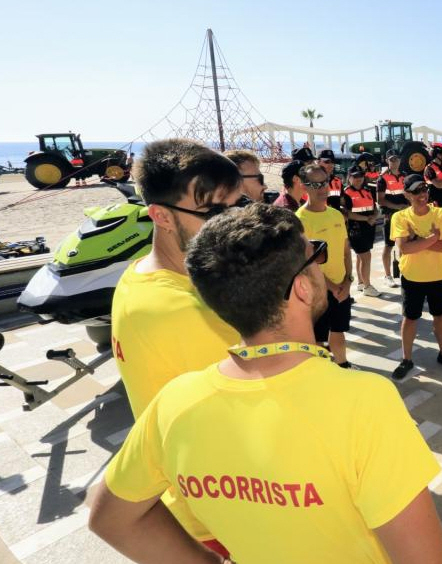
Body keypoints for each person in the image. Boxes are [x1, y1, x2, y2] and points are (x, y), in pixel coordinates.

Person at [90, 204, 442, 564]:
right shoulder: (364, 401)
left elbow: (110, 518)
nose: (321, 264)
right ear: (302, 289)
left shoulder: (175, 401)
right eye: (315, 255)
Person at [109, 139, 243, 556]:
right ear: (161, 215)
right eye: (214, 213)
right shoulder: (183, 311)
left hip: (188, 493)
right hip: (228, 507)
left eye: (238, 207)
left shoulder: (138, 275)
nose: (233, 225)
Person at [389, 175, 442, 380]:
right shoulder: (399, 217)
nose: (422, 194)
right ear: (406, 194)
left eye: (424, 189)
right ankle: (406, 359)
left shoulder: (440, 213)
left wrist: (417, 241)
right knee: (410, 318)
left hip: (436, 275)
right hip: (411, 276)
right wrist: (433, 237)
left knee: (439, 315)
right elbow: (404, 248)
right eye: (416, 191)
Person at [295, 163, 353, 367]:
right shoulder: (300, 220)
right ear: (303, 186)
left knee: (338, 330)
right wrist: (333, 287)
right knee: (318, 338)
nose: (322, 188)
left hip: (341, 286)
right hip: (318, 290)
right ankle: (321, 372)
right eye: (315, 184)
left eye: (324, 182)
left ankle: (343, 365)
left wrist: (348, 281)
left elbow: (346, 251)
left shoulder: (336, 215)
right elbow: (306, 263)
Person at [343, 166, 380, 297]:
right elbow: (347, 213)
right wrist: (367, 219)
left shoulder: (368, 190)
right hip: (356, 229)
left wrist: (374, 216)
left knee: (360, 256)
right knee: (366, 256)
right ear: (349, 178)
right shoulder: (346, 193)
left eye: (360, 176)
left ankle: (361, 282)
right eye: (355, 176)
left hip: (369, 227)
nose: (358, 179)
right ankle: (367, 286)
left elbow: (374, 208)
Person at [377, 152, 408, 288]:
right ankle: (388, 276)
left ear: (400, 160)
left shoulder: (405, 176)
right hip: (390, 216)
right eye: (391, 159)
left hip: (404, 216)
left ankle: (405, 272)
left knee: (404, 245)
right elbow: (380, 200)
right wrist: (398, 207)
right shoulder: (382, 178)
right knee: (388, 246)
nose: (394, 162)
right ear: (387, 160)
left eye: (396, 159)